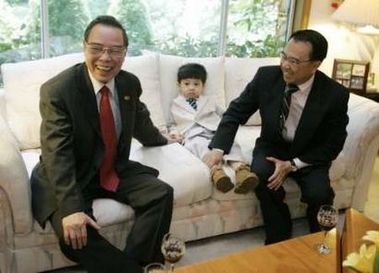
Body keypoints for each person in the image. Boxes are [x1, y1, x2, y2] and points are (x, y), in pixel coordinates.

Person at [30, 15, 179, 273]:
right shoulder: (59, 91)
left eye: (115, 50)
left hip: (111, 169)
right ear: (85, 46)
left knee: (161, 193)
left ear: (124, 53)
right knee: (75, 236)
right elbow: (57, 153)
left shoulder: (128, 83)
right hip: (70, 175)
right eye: (97, 48)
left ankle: (140, 262)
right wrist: (71, 209)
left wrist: (162, 139)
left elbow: (140, 120)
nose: (105, 57)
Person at [205, 29, 349, 244]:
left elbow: (333, 143)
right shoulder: (266, 77)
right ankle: (279, 235)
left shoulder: (334, 94)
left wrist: (292, 164)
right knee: (262, 176)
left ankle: (321, 241)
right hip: (272, 147)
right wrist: (218, 149)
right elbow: (235, 112)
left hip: (309, 155)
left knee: (319, 194)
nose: (285, 65)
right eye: (284, 56)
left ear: (315, 64)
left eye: (294, 61)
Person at [168, 63, 259, 194]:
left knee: (230, 143)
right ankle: (217, 172)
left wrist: (225, 129)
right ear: (179, 85)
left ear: (203, 86)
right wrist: (175, 134)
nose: (191, 88)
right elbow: (171, 123)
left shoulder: (210, 100)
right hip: (193, 133)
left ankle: (241, 170)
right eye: (187, 84)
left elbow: (227, 115)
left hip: (215, 130)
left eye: (196, 84)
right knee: (198, 145)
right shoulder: (175, 104)